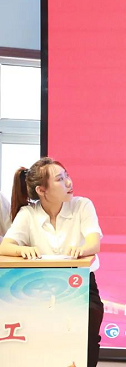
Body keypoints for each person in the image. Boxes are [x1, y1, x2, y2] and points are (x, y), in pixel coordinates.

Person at [0, 157, 104, 367]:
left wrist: (82, 250)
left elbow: (94, 243)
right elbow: (5, 247)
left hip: (80, 282)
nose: (68, 182)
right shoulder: (28, 213)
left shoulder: (82, 205)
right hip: (40, 285)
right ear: (41, 190)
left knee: (90, 318)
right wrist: (22, 249)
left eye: (67, 176)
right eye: (60, 179)